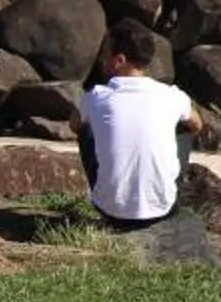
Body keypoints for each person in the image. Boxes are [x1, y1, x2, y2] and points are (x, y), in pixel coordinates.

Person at [76, 21, 200, 231]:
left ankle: (112, 191)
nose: (101, 61)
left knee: (85, 128)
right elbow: (198, 125)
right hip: (162, 209)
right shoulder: (171, 95)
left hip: (109, 210)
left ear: (120, 60)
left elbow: (74, 125)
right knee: (184, 128)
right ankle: (159, 188)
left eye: (105, 55)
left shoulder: (97, 96)